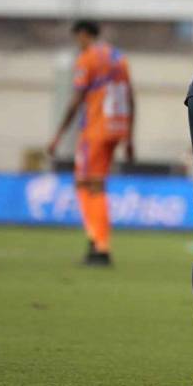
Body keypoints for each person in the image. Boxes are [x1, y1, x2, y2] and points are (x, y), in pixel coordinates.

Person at [48, 21, 135, 267]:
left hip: (96, 129)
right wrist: (129, 136)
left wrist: (58, 135)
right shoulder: (119, 58)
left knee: (86, 185)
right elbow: (130, 97)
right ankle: (97, 243)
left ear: (84, 35)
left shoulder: (87, 59)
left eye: (78, 38)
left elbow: (77, 99)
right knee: (97, 184)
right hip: (117, 127)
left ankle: (99, 244)